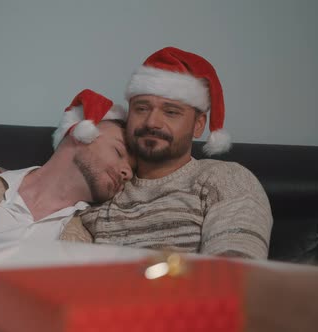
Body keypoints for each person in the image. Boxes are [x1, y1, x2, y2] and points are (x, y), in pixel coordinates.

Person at [75, 47, 273, 259]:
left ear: (198, 125)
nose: (152, 122)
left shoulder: (224, 177)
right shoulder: (106, 182)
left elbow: (235, 270)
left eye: (171, 112)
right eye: (141, 109)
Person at [0, 89, 134, 242]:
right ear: (81, 133)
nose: (128, 173)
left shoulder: (86, 242)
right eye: (119, 152)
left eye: (133, 169)